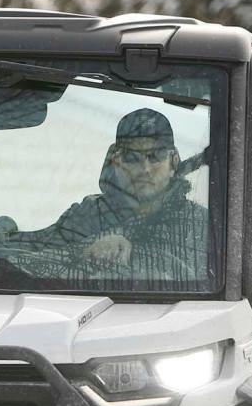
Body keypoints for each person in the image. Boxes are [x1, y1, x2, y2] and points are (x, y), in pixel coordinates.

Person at [45, 107, 210, 284]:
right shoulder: (85, 215)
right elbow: (40, 261)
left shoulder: (200, 224)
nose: (145, 169)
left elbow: (201, 289)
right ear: (116, 163)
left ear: (173, 163)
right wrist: (86, 251)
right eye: (132, 157)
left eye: (156, 156)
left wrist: (136, 257)